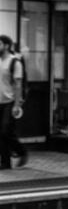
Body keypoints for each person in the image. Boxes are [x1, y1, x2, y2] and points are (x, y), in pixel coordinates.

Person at [0, 35, 28, 169]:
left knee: (6, 131)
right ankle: (5, 162)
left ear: (6, 46)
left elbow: (18, 84)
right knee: (1, 133)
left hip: (10, 101)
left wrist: (17, 104)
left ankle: (21, 151)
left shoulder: (14, 62)